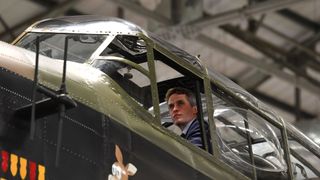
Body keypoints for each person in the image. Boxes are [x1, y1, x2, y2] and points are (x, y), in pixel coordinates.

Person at [165, 87, 211, 152]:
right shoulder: (188, 133)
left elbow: (194, 154)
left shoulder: (200, 127)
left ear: (194, 109)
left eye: (180, 103)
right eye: (171, 106)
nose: (175, 109)